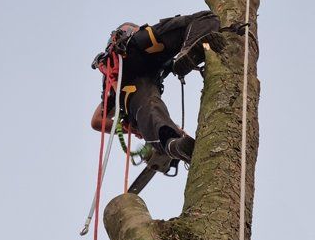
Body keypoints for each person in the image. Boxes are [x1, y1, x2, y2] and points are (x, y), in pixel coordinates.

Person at [91, 10, 223, 163]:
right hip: (140, 50)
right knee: (205, 18)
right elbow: (97, 121)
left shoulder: (116, 84)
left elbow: (97, 121)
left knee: (149, 105)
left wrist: (132, 129)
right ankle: (189, 49)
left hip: (140, 75)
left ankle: (173, 144)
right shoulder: (117, 74)